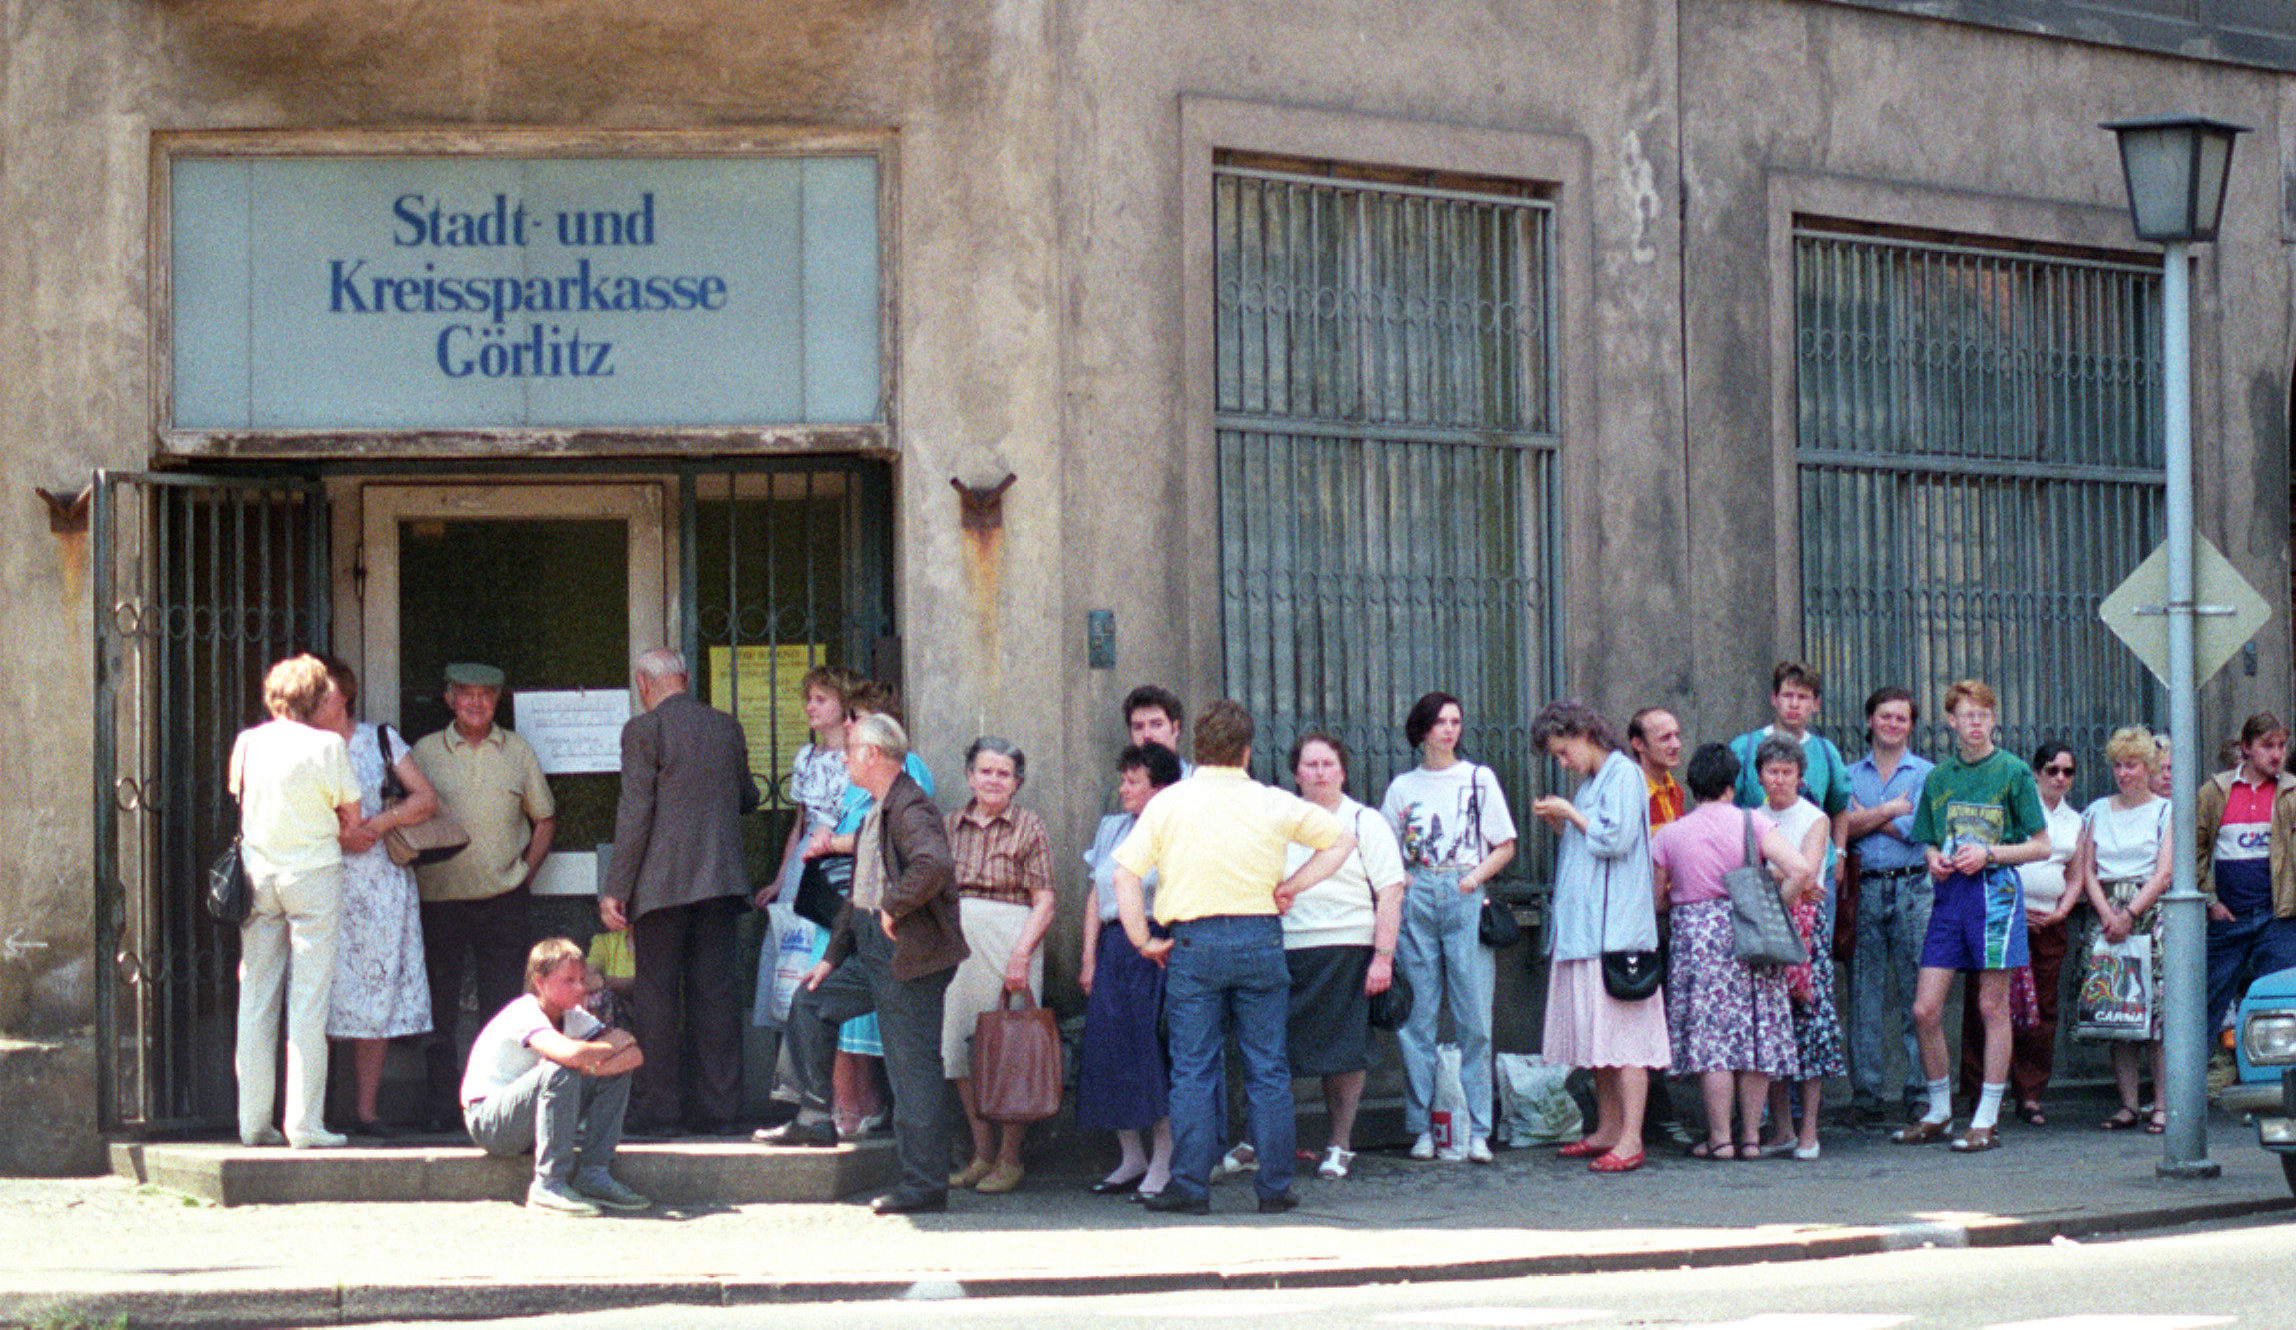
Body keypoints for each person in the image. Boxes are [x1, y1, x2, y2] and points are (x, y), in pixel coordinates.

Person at [1112, 699, 1354, 1215]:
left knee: (1193, 1068)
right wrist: (1292, 885)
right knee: (1267, 1067)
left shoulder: (1170, 803)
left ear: (1198, 746)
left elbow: (1125, 873)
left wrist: (1141, 938)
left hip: (1193, 944)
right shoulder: (1270, 802)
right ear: (1247, 751)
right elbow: (1341, 840)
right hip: (1259, 937)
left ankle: (1189, 1186)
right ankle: (1274, 1186)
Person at [758, 714, 969, 1217]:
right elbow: (858, 895)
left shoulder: (910, 805)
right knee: (810, 1002)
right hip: (872, 951)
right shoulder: (878, 805)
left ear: (874, 754)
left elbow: (934, 865)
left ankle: (924, 1186)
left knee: (911, 1069)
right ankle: (814, 1116)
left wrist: (895, 906)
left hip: (909, 958)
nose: (844, 757)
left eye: (851, 749)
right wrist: (832, 959)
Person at [598, 647, 760, 1137]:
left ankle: (661, 1111)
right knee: (717, 995)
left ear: (643, 684)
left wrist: (616, 888)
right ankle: (721, 1110)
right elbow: (749, 796)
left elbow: (635, 814)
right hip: (721, 883)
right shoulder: (726, 726)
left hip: (661, 886)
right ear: (686, 678)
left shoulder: (643, 730)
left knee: (658, 999)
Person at [1892, 679, 2050, 1154]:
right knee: (1924, 1008)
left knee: (1991, 1007)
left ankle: (1986, 1116)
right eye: (1966, 714)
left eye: (1983, 714)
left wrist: (1991, 854)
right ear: (1951, 721)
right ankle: (1939, 1111)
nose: (1975, 722)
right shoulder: (1939, 778)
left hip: (1996, 896)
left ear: (1994, 719)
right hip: (1948, 898)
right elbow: (1928, 838)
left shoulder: (2014, 771)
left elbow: (2042, 844)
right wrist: (1934, 857)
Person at [412, 663, 557, 1135]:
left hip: (502, 901)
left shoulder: (517, 751)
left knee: (505, 1008)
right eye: (466, 694)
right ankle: (439, 1104)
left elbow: (545, 819)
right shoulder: (425, 751)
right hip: (439, 900)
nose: (476, 703)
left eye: (486, 695)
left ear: (498, 701)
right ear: (449, 699)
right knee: (439, 1007)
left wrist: (524, 876)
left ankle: (498, 1102)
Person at [1651, 743, 1813, 1160]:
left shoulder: (1670, 833)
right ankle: (1753, 1141)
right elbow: (1800, 869)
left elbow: (1657, 901)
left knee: (1712, 1044)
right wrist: (1780, 902)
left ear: (1693, 785)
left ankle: (1720, 1139)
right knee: (1755, 1035)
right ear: (1732, 783)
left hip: (1695, 938)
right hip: (1750, 930)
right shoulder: (1752, 822)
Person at [229, 654, 363, 1149]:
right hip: (313, 874)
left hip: (258, 875)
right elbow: (352, 811)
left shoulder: (248, 741)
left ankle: (252, 1120)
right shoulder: (327, 744)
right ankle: (304, 1124)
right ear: (315, 697)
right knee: (308, 1002)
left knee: (257, 997)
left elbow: (238, 795)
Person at [1530, 699, 1669, 1175]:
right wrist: (1564, 824)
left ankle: (1631, 1137)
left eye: (1563, 751)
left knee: (1626, 1040)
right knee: (1600, 1041)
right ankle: (1609, 1128)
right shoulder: (1593, 783)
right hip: (1587, 931)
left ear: (1584, 735)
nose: (1562, 763)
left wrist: (1573, 815)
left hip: (1616, 934)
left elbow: (1618, 839)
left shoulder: (1624, 775)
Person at [1379, 691, 1517, 1163]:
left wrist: (1472, 879)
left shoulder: (1479, 779)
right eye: (1439, 722)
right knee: (1417, 1017)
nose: (1449, 730)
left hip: (1464, 891)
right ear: (1421, 730)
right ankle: (1422, 1127)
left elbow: (1505, 844)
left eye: (1455, 721)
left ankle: (1479, 1128)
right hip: (1418, 894)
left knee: (1474, 1014)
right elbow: (1386, 849)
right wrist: (1406, 879)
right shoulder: (1402, 787)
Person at [313, 657, 437, 1138]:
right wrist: (338, 837)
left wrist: (379, 824)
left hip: (381, 886)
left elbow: (425, 799)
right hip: (325, 882)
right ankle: (312, 1109)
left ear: (344, 694)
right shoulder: (305, 748)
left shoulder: (379, 739)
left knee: (375, 996)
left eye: (322, 693)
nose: (315, 703)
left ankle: (366, 1111)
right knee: (317, 995)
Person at [1276, 732, 1406, 1181]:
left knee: (1344, 1056)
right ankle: (1272, 1142)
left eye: (1327, 764)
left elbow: (1390, 890)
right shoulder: (1280, 821)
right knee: (1276, 1054)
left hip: (1347, 950)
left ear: (1343, 771)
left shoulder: (1365, 821)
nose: (1318, 772)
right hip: (1288, 949)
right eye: (1309, 765)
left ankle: (1340, 1144)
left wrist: (1382, 957)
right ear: (1296, 772)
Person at [941, 737, 1057, 1195]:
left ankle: (1011, 1159)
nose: (993, 780)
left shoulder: (1030, 827)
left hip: (1012, 937)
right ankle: (982, 1153)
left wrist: (1021, 954)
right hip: (958, 944)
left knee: (1012, 1051)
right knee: (961, 1049)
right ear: (970, 775)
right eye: (985, 771)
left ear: (1017, 782)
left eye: (1003, 774)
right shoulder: (949, 825)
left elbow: (1045, 901)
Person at [461, 938, 648, 1217]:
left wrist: (594, 1067)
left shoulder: (575, 1017)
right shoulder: (524, 1011)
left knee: (612, 1070)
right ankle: (548, 1185)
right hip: (490, 1121)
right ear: (539, 981)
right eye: (569, 980)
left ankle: (593, 1173)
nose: (580, 988)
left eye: (583, 979)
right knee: (559, 1068)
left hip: (530, 1121)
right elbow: (569, 1055)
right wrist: (604, 1051)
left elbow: (634, 1053)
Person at [1077, 742, 1183, 1198]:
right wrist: (1088, 957)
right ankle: (1130, 1156)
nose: (1124, 789)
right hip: (1114, 943)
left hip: (1156, 944)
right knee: (1107, 1049)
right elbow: (1096, 893)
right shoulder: (1112, 828)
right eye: (1122, 779)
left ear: (1159, 786)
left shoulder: (1178, 828)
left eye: (1133, 781)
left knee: (1151, 1053)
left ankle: (1163, 1160)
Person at [1957, 742, 2083, 1124]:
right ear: (2035, 773)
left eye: (2067, 772)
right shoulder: (2013, 807)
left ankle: (2030, 1094)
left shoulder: (2076, 820)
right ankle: (1979, 1093)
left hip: (2048, 922)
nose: (2059, 778)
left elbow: (2076, 874)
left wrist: (2061, 911)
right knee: (1987, 1004)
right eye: (2051, 770)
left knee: (2041, 1009)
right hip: (2002, 914)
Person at [2073, 726, 2174, 1133]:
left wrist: (2130, 912)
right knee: (2116, 1011)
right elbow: (2086, 870)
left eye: (2131, 765)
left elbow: (2165, 872)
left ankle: (2163, 1105)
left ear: (2147, 767)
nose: (2124, 773)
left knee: (2155, 1015)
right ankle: (2128, 1104)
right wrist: (2107, 913)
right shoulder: (2095, 811)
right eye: (2117, 765)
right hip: (2106, 909)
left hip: (2148, 909)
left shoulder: (2166, 811)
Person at [1844, 686, 1938, 1123]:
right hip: (1862, 888)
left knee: (1916, 994)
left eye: (1901, 718)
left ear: (1911, 725)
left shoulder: (1927, 774)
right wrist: (1891, 809)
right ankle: (1867, 1094)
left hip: (1913, 889)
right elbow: (1840, 830)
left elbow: (1919, 831)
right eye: (1885, 716)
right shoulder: (1846, 774)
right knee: (1863, 994)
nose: (1893, 725)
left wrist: (1868, 816)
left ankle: (1920, 1090)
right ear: (1869, 721)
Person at [1752, 736, 1845, 1160]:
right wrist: (1784, 878)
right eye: (1772, 771)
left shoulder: (1815, 817)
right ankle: (1781, 1128)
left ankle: (1809, 1129)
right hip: (1767, 927)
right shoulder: (1753, 818)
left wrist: (1778, 877)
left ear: (1800, 777)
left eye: (1788, 772)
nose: (1780, 779)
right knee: (1772, 1028)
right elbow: (1754, 874)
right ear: (1759, 777)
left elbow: (1806, 875)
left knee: (1810, 1027)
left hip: (1803, 933)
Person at [2196, 713, 2296, 1043]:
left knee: (2281, 1003)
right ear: (2246, 748)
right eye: (2268, 746)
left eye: (2281, 745)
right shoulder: (2216, 792)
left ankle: (2282, 1087)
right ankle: (2194, 1088)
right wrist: (2210, 901)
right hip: (2229, 918)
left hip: (2277, 917)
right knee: (2209, 1003)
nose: (2277, 754)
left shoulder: (2291, 791)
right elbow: (2192, 848)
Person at [1731, 662, 1852, 890]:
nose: (1794, 704)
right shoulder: (1743, 749)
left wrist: (1839, 853)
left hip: (1818, 874)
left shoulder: (1825, 752)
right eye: (1787, 695)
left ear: (1816, 704)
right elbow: (1728, 809)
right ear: (1774, 699)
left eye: (1803, 697)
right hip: (1761, 873)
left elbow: (1839, 808)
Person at [1630, 708, 1687, 832]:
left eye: (1676, 735)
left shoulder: (1676, 790)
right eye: (1666, 738)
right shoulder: (1629, 793)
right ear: (1638, 744)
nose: (1677, 744)